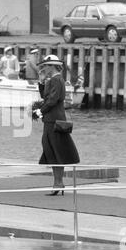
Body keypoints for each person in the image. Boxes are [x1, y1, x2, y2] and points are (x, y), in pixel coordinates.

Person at [33, 55, 80, 196]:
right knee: (52, 151)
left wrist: (40, 110)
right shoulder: (53, 80)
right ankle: (58, 182)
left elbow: (52, 100)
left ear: (52, 66)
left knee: (57, 152)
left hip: (54, 121)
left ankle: (58, 182)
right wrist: (41, 82)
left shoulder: (57, 80)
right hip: (50, 120)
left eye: (46, 66)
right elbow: (46, 97)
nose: (43, 68)